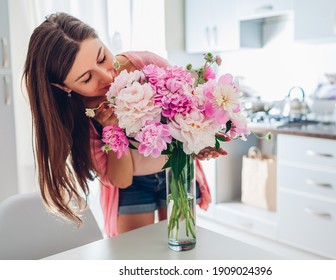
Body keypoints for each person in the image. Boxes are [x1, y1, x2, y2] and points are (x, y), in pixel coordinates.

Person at [23, 12, 227, 237]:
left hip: (175, 170)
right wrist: (114, 130)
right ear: (64, 87)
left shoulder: (144, 64)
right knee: (137, 255)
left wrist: (202, 141)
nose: (106, 76)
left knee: (181, 243)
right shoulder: (81, 117)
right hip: (132, 187)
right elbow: (122, 180)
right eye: (86, 78)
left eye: (102, 58)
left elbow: (189, 109)